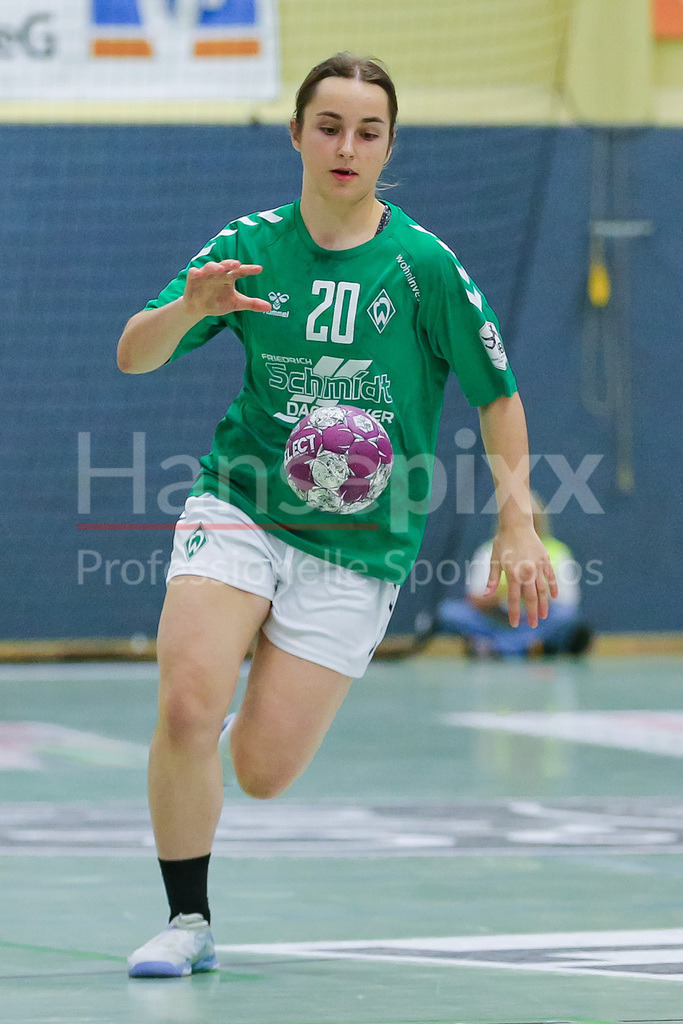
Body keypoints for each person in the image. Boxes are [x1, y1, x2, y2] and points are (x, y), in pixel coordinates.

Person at [116, 52, 558, 978]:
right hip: (240, 501)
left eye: (367, 131)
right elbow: (133, 356)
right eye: (328, 127)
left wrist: (517, 522)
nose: (346, 147)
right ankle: (187, 918)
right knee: (188, 703)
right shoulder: (248, 247)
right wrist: (187, 309)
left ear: (389, 146)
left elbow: (497, 394)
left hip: (360, 543)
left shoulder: (422, 266)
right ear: (296, 135)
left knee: (262, 771)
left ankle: (219, 739)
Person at [438, 493, 593, 658]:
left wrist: (535, 595)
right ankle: (527, 647)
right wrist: (505, 596)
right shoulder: (489, 550)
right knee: (448, 612)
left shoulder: (557, 551)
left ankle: (497, 647)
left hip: (539, 620)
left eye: (529, 520)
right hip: (498, 620)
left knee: (566, 616)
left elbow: (568, 602)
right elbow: (474, 599)